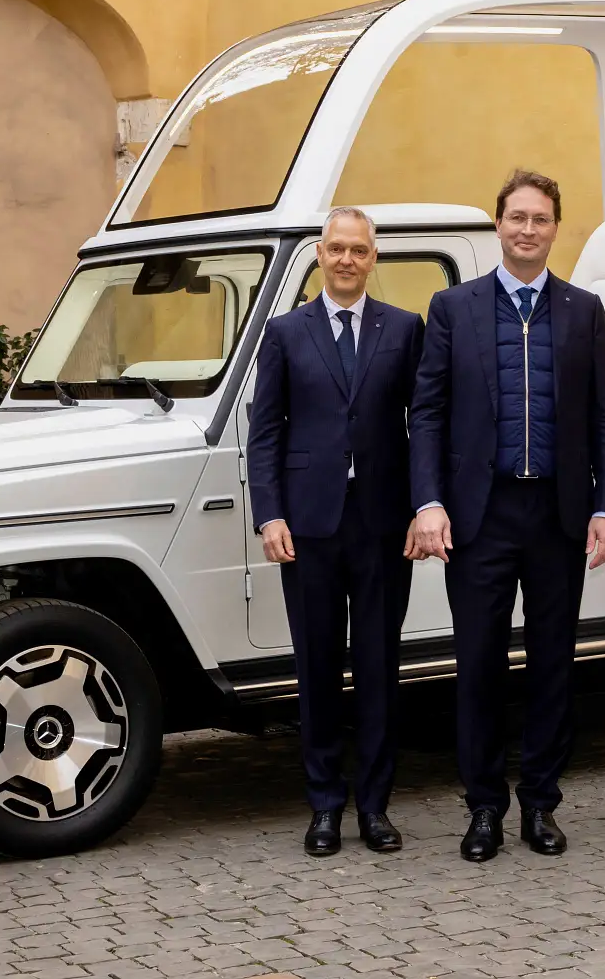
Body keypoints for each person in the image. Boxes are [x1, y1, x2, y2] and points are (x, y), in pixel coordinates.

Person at [407, 169, 605, 862]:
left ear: (555, 228)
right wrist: (429, 500)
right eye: (516, 218)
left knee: (553, 665)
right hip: (480, 516)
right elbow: (428, 414)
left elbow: (604, 419)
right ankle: (483, 808)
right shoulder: (453, 308)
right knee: (477, 666)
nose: (527, 229)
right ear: (498, 226)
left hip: (557, 515)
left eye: (540, 219)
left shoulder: (582, 309)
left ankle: (540, 803)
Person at [246, 207, 425, 856]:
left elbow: (422, 424)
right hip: (309, 525)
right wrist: (270, 514)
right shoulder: (285, 332)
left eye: (359, 250)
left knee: (379, 669)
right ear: (320, 254)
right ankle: (324, 806)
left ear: (373, 257)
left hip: (382, 524)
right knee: (318, 670)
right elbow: (264, 432)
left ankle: (374, 807)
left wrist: (424, 505)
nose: (348, 259)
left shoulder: (404, 329)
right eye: (337, 248)